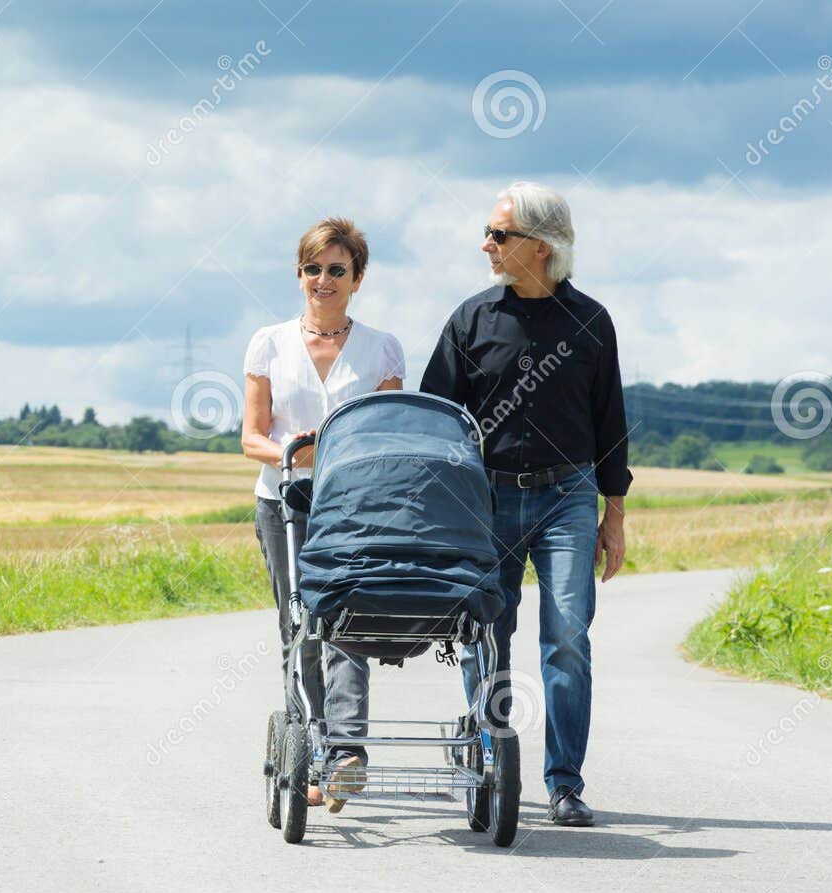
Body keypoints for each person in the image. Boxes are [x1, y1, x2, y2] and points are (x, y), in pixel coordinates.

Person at [419, 180, 631, 827]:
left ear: (540, 247)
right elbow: (435, 417)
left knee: (567, 634)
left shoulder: (592, 322)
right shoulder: (470, 321)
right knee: (487, 633)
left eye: (498, 234)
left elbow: (611, 424)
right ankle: (490, 756)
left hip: (568, 495)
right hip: (487, 497)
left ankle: (564, 782)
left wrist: (613, 516)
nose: (485, 244)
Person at [243, 217, 405, 810]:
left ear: (357, 277)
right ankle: (307, 749)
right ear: (299, 274)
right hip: (284, 498)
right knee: (299, 625)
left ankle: (346, 752)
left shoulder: (382, 348)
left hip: (355, 503)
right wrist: (299, 452)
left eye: (337, 269)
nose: (323, 279)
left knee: (348, 620)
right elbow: (252, 437)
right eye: (313, 268)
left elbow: (386, 434)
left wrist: (335, 451)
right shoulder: (268, 342)